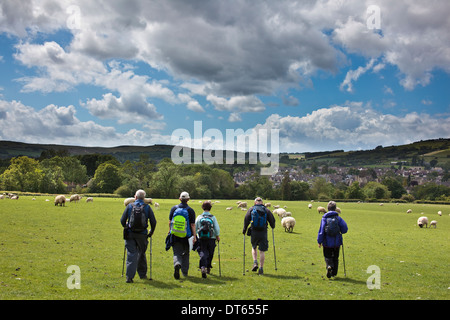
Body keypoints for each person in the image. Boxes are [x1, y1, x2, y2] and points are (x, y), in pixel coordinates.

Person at [120, 189, 157, 283]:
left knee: (131, 254)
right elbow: (153, 221)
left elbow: (122, 220)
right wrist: (151, 232)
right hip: (142, 234)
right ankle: (142, 274)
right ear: (144, 198)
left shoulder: (129, 206)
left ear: (135, 197)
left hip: (130, 234)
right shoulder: (147, 207)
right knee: (141, 253)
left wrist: (126, 227)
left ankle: (129, 277)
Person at [243, 197, 275, 275]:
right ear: (262, 202)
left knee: (254, 247)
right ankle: (261, 268)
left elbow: (246, 219)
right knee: (262, 251)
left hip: (254, 232)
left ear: (255, 202)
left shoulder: (251, 209)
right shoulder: (266, 210)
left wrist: (244, 229)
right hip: (263, 232)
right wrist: (272, 226)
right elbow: (272, 220)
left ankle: (255, 262)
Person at [169, 191, 196, 279]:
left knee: (177, 252)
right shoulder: (190, 210)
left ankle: (177, 263)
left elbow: (170, 222)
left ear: (180, 199)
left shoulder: (174, 208)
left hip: (175, 234)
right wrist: (194, 236)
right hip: (186, 236)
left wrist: (170, 232)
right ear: (188, 199)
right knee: (186, 253)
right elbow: (192, 224)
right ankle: (184, 272)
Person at [317, 201, 348, 278]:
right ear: (335, 209)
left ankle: (329, 266)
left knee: (327, 256)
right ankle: (334, 273)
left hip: (327, 242)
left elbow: (321, 231)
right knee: (335, 257)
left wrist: (319, 241)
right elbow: (345, 229)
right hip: (336, 242)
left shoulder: (324, 218)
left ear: (327, 208)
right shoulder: (338, 218)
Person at [194, 200, 220, 278]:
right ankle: (208, 267)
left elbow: (195, 227)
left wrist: (194, 236)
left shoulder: (199, 217)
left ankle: (203, 267)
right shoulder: (213, 217)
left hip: (201, 238)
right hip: (211, 238)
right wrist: (217, 236)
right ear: (210, 208)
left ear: (202, 207)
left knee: (203, 252)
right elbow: (216, 228)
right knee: (210, 253)